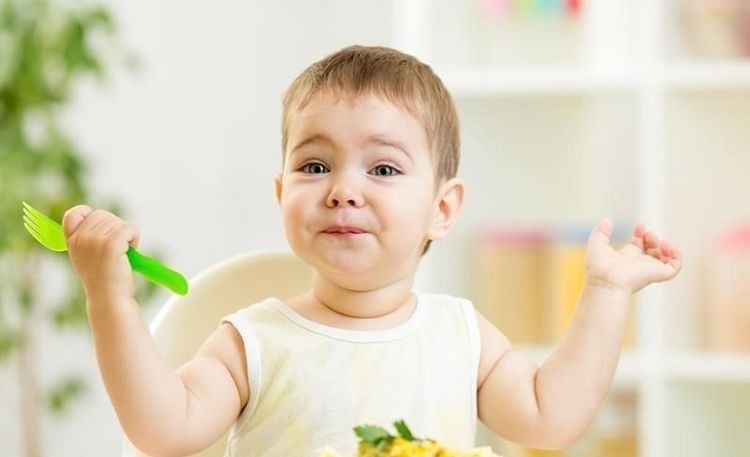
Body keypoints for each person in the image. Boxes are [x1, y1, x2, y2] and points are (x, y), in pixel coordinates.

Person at [62, 45, 682, 457]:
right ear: (282, 193)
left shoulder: (460, 336)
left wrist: (604, 293)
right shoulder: (251, 342)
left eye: (383, 168)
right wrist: (107, 297)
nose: (343, 190)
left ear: (442, 209)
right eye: (314, 164)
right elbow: (160, 429)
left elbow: (552, 417)